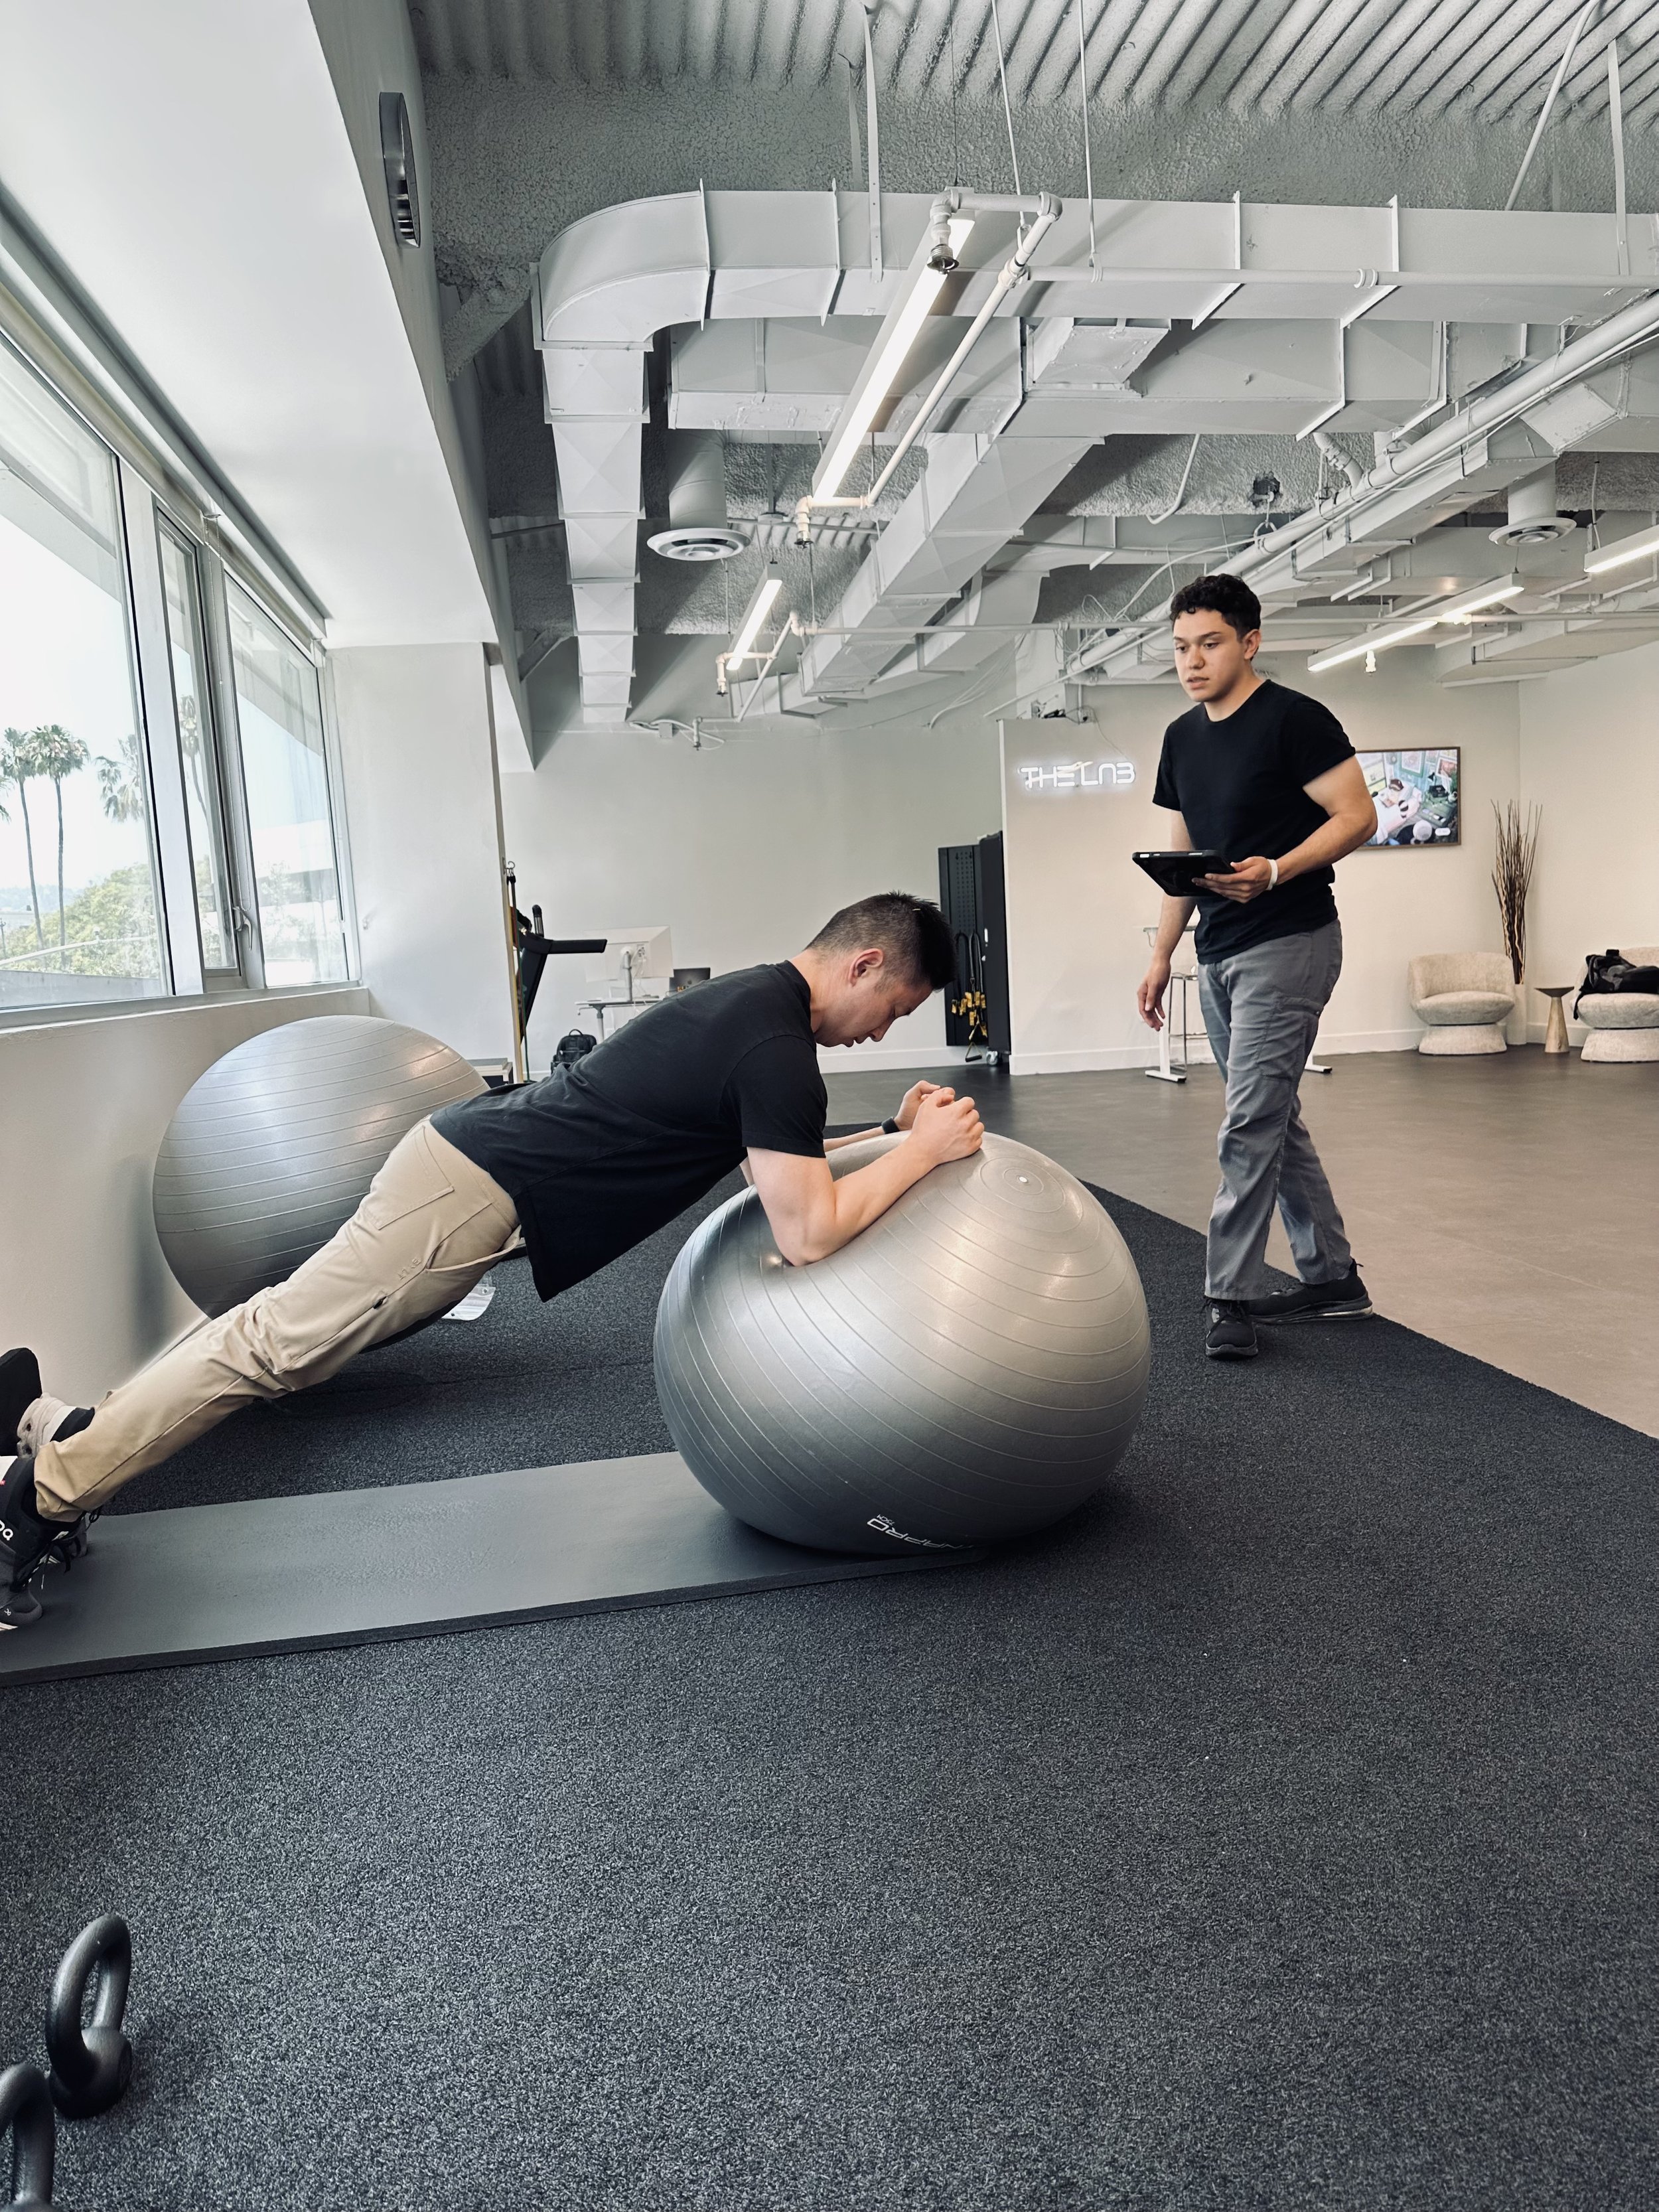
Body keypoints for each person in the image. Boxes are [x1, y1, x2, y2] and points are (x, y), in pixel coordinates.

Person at [0, 893, 985, 1629]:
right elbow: (807, 1232)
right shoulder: (773, 1049)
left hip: (470, 1163)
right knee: (275, 1349)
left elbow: (786, 1170)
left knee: (275, 1334)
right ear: (862, 965)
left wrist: (891, 1136)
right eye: (895, 1009)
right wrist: (924, 1154)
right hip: (467, 1189)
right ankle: (40, 1495)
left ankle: (58, 1426)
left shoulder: (754, 1012)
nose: (886, 1031)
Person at [1135, 574, 1379, 1361]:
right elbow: (1180, 856)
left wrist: (1276, 870)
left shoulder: (1294, 721)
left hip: (1292, 938)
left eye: (1209, 644)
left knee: (1247, 1122)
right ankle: (1332, 1276)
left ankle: (1228, 1294)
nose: (1192, 661)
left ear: (1249, 641)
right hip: (1217, 949)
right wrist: (1159, 952)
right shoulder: (1181, 737)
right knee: (1273, 1117)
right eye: (1180, 648)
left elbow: (1358, 815)